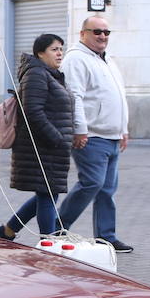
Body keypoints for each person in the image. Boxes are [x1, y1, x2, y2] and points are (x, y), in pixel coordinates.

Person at [56, 16, 133, 252]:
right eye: (97, 31)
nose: (102, 36)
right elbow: (74, 97)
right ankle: (58, 227)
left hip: (111, 136)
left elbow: (118, 96)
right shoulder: (76, 59)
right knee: (92, 183)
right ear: (82, 34)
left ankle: (106, 236)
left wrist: (123, 130)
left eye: (106, 32)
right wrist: (80, 129)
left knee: (107, 190)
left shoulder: (107, 60)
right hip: (91, 136)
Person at [0, 34, 74, 239]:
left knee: (47, 193)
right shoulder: (37, 74)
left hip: (51, 147)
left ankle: (8, 230)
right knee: (47, 194)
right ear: (40, 53)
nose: (59, 53)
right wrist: (56, 138)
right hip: (42, 147)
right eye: (54, 49)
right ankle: (48, 243)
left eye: (61, 49)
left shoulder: (50, 74)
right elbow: (33, 111)